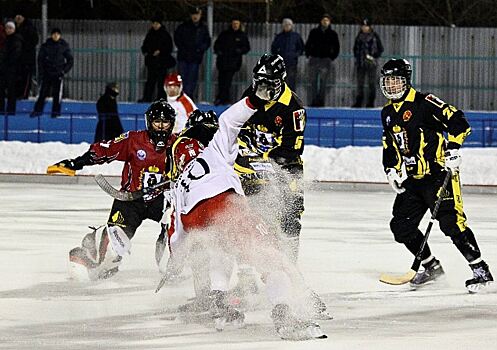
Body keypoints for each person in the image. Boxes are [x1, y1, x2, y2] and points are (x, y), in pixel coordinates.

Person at [164, 86, 326, 339]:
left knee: (218, 248)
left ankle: (216, 301)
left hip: (193, 215)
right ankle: (285, 313)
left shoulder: (180, 179)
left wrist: (174, 262)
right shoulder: (220, 146)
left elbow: (177, 230)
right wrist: (252, 100)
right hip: (225, 204)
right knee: (271, 258)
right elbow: (230, 120)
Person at [380, 58, 493, 292]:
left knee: (452, 223)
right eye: (387, 81)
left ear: (406, 81)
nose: (391, 86)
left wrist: (453, 148)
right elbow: (390, 144)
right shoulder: (388, 112)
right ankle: (431, 267)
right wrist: (391, 168)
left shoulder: (425, 103)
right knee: (401, 226)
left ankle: (481, 271)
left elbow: (457, 120)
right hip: (413, 180)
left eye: (396, 80)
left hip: (439, 175)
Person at [46, 100, 177, 281]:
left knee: (180, 227)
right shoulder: (133, 140)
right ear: (149, 122)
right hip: (130, 201)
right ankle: (90, 250)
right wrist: (76, 163)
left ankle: (180, 267)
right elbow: (104, 150)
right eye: (157, 122)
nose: (161, 127)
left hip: (162, 201)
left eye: (166, 123)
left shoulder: (178, 144)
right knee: (111, 253)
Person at [242, 54, 306, 264]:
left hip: (286, 168)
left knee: (290, 217)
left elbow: (292, 147)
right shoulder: (250, 96)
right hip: (251, 166)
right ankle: (249, 271)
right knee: (249, 215)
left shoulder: (293, 107)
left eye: (268, 84)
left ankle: (289, 267)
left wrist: (266, 163)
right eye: (259, 83)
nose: (262, 89)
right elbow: (238, 128)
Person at [31, 28, 73, 118]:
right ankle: (37, 111)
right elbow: (40, 59)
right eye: (54, 34)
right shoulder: (46, 45)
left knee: (57, 95)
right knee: (42, 93)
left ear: (60, 35)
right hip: (47, 73)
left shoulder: (64, 46)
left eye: (58, 34)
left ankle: (55, 113)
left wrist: (63, 71)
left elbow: (70, 60)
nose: (56, 35)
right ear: (51, 35)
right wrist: (42, 71)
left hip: (58, 74)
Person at [174, 7, 211, 98]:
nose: (195, 16)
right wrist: (183, 49)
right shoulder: (183, 27)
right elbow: (177, 38)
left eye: (197, 14)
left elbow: (207, 41)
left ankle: (188, 97)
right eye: (194, 14)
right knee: (182, 78)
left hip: (195, 58)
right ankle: (181, 96)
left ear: (200, 15)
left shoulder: (203, 28)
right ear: (191, 15)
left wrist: (200, 49)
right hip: (183, 56)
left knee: (192, 79)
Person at [304, 13, 340, 107]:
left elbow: (336, 47)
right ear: (321, 21)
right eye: (324, 20)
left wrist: (331, 57)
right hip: (315, 59)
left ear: (329, 22)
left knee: (323, 83)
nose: (325, 22)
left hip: (325, 60)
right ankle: (314, 101)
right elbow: (308, 43)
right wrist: (308, 54)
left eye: (327, 20)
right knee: (313, 82)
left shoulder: (332, 34)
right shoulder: (314, 32)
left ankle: (321, 102)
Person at [213, 18, 250, 105]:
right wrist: (219, 51)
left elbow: (246, 48)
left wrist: (239, 51)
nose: (235, 25)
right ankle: (220, 98)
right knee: (221, 81)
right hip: (222, 62)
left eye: (237, 23)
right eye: (234, 23)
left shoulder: (242, 35)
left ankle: (225, 98)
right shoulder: (224, 34)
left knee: (228, 82)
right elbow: (217, 45)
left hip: (233, 63)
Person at [140, 12, 175, 102]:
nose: (155, 25)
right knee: (150, 81)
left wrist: (160, 51)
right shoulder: (150, 34)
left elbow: (169, 48)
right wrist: (149, 52)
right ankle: (147, 98)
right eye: (153, 23)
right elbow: (145, 46)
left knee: (161, 82)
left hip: (161, 62)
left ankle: (161, 99)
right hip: (152, 62)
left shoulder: (165, 34)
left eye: (156, 23)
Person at [352, 19, 383, 108]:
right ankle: (359, 102)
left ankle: (370, 102)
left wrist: (373, 56)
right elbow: (355, 49)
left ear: (369, 27)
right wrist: (357, 57)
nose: (364, 28)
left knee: (371, 83)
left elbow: (380, 49)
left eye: (366, 26)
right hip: (360, 63)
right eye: (363, 26)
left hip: (371, 63)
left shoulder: (374, 36)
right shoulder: (359, 36)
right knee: (360, 83)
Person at [271, 18, 304, 91]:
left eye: (289, 25)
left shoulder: (296, 36)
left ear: (292, 26)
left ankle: (291, 100)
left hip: (292, 63)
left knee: (291, 82)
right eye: (285, 25)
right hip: (281, 64)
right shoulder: (279, 37)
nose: (287, 26)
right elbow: (273, 48)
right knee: (281, 83)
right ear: (283, 26)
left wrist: (295, 55)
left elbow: (301, 48)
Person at [14, 11, 39, 99]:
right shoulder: (13, 27)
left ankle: (24, 95)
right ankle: (17, 93)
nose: (18, 17)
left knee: (26, 77)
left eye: (21, 15)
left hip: (27, 59)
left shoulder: (29, 27)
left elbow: (35, 41)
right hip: (16, 58)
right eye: (17, 15)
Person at [0, 21, 23, 115]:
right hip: (4, 69)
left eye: (10, 28)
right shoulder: (6, 40)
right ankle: (2, 109)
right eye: (7, 28)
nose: (8, 30)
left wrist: (5, 62)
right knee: (1, 90)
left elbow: (15, 55)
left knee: (11, 91)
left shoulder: (16, 39)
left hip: (11, 70)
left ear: (14, 29)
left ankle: (10, 111)